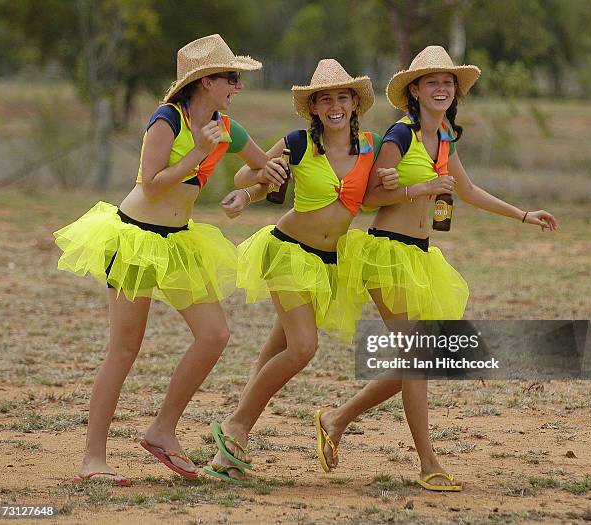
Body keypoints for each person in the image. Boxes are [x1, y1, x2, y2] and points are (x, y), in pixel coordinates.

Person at [315, 46, 557, 491]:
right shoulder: (399, 135)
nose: (442, 88)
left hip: (422, 256)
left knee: (416, 360)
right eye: (432, 82)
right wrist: (420, 187)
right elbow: (368, 197)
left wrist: (523, 214)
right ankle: (428, 462)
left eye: (448, 82)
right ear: (415, 91)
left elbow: (466, 189)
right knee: (420, 358)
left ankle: (336, 417)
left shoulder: (444, 135)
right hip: (385, 254)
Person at [53, 34, 268, 485]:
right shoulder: (167, 119)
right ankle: (92, 458)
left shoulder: (227, 127)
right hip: (136, 238)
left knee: (215, 335)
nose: (237, 85)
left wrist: (249, 190)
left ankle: (162, 429)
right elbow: (151, 184)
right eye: (231, 77)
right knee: (125, 349)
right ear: (205, 81)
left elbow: (265, 167)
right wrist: (198, 153)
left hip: (179, 241)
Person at [204, 59, 384, 484]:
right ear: (315, 108)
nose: (335, 105)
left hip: (326, 264)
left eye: (343, 97)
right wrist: (248, 191)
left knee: (274, 354)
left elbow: (377, 196)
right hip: (288, 251)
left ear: (355, 103)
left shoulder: (372, 148)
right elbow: (253, 172)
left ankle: (230, 451)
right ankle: (235, 427)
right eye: (326, 99)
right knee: (303, 348)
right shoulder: (299, 143)